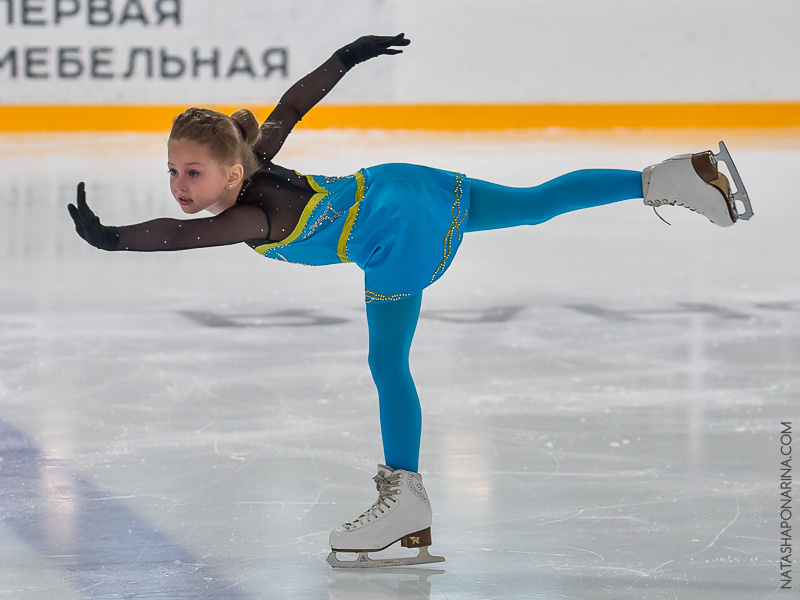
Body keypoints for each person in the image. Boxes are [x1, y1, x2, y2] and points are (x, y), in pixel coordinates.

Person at [68, 34, 753, 568]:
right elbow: (291, 105)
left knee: (388, 364)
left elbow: (181, 236)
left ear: (233, 171)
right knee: (536, 203)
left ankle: (406, 495)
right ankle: (673, 178)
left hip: (391, 235)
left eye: (193, 172)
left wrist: (114, 239)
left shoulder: (250, 216)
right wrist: (346, 57)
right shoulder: (258, 150)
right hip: (400, 185)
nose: (181, 183)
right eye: (173, 170)